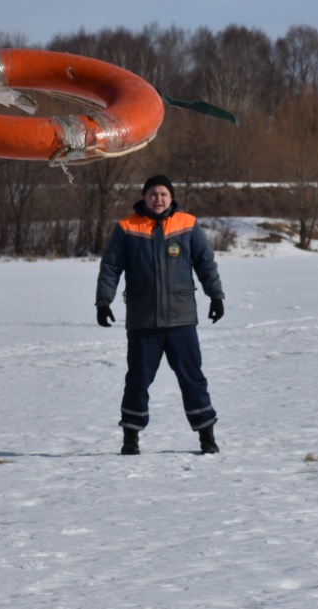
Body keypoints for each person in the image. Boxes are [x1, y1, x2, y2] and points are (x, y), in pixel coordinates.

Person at [95, 174, 226, 456]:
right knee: (138, 380)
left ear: (171, 197)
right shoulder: (127, 227)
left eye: (163, 194)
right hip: (143, 321)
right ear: (144, 197)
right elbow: (110, 267)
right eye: (153, 194)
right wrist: (103, 302)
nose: (158, 199)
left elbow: (205, 263)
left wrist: (215, 295)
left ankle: (207, 436)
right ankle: (131, 437)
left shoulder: (187, 224)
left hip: (181, 320)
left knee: (193, 379)